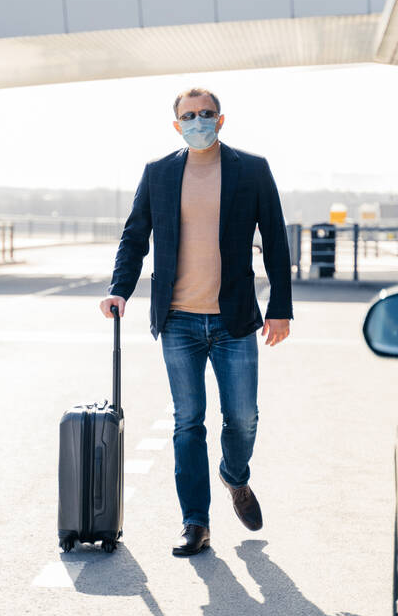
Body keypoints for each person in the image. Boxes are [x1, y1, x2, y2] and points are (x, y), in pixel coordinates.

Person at [98, 87, 293, 557]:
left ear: (221, 120)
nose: (199, 120)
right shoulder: (159, 173)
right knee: (187, 422)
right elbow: (134, 235)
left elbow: (276, 239)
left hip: (235, 320)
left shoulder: (252, 170)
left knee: (243, 419)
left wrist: (281, 307)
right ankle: (195, 523)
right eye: (190, 115)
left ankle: (235, 476)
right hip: (179, 320)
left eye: (207, 113)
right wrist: (119, 288)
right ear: (176, 124)